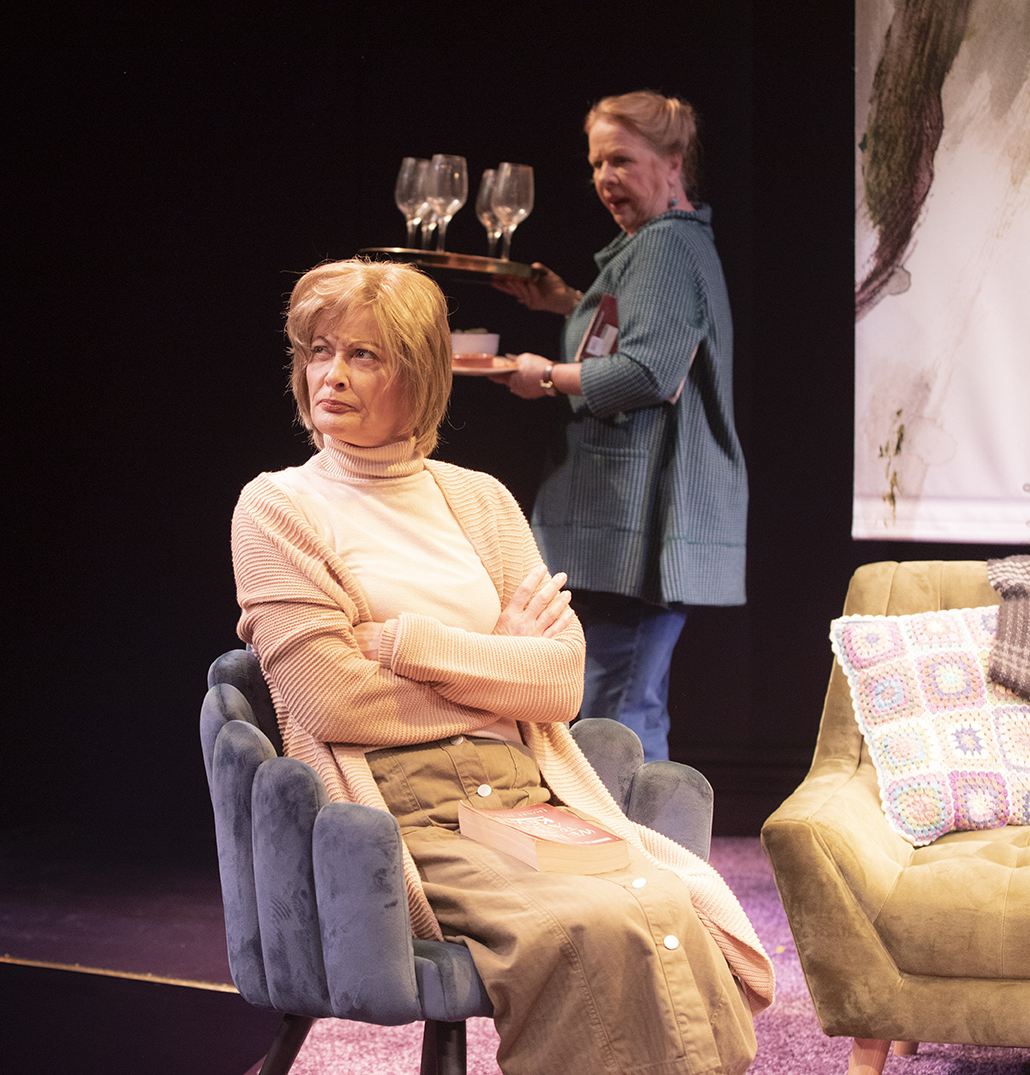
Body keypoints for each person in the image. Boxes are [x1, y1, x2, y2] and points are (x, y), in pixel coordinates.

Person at [231, 257, 771, 1075]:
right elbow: (332, 699)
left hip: (523, 792)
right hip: (403, 810)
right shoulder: (277, 507)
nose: (330, 375)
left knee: (660, 905)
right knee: (578, 925)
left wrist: (405, 644)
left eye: (363, 355)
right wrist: (497, 667)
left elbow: (556, 684)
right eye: (317, 351)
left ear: (420, 375)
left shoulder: (478, 499)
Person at [491, 91, 747, 763]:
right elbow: (645, 336)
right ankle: (650, 858)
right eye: (597, 163)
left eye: (621, 161)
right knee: (626, 705)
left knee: (613, 716)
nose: (605, 178)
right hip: (625, 524)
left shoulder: (664, 247)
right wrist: (566, 302)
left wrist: (543, 374)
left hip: (636, 525)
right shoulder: (658, 245)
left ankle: (633, 861)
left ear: (672, 163)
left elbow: (646, 372)